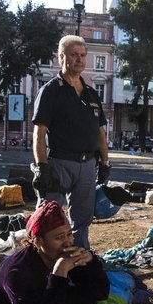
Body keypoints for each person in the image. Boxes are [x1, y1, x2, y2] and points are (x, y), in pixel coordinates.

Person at [31, 35, 110, 251]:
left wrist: (105, 162)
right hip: (59, 164)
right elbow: (39, 133)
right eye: (74, 55)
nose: (80, 60)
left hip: (87, 166)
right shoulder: (50, 91)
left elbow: (101, 132)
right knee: (49, 216)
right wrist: (41, 167)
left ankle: (80, 258)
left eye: (83, 55)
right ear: (61, 57)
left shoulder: (92, 93)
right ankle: (42, 260)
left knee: (83, 219)